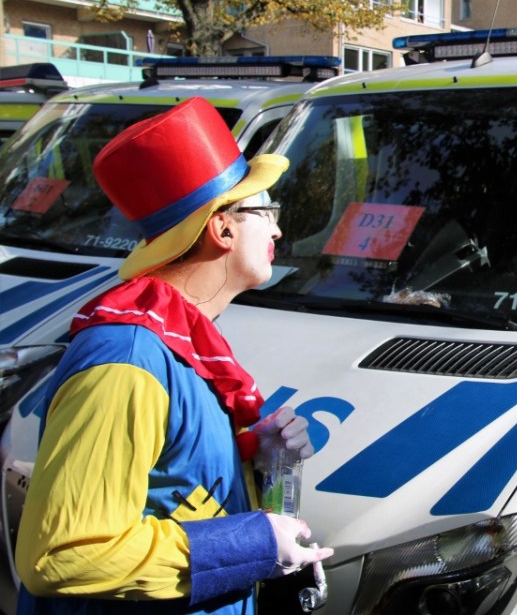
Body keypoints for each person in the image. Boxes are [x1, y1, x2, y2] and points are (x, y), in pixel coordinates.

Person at [14, 97, 332, 615]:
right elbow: (59, 555)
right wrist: (250, 546)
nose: (277, 229)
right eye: (265, 210)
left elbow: (170, 490)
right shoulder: (126, 362)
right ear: (221, 229)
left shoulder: (176, 335)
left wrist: (258, 460)